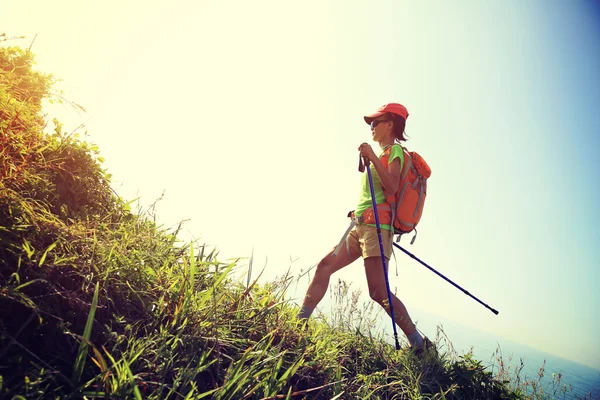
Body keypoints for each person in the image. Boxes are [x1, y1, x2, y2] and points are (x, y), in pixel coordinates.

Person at [297, 103, 433, 354]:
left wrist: (371, 156)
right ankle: (298, 325)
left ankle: (418, 344)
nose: (371, 127)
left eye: (375, 123)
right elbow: (374, 194)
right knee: (324, 266)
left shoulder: (395, 152)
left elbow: (392, 186)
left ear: (390, 124)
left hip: (377, 229)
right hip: (361, 224)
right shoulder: (380, 155)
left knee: (378, 291)